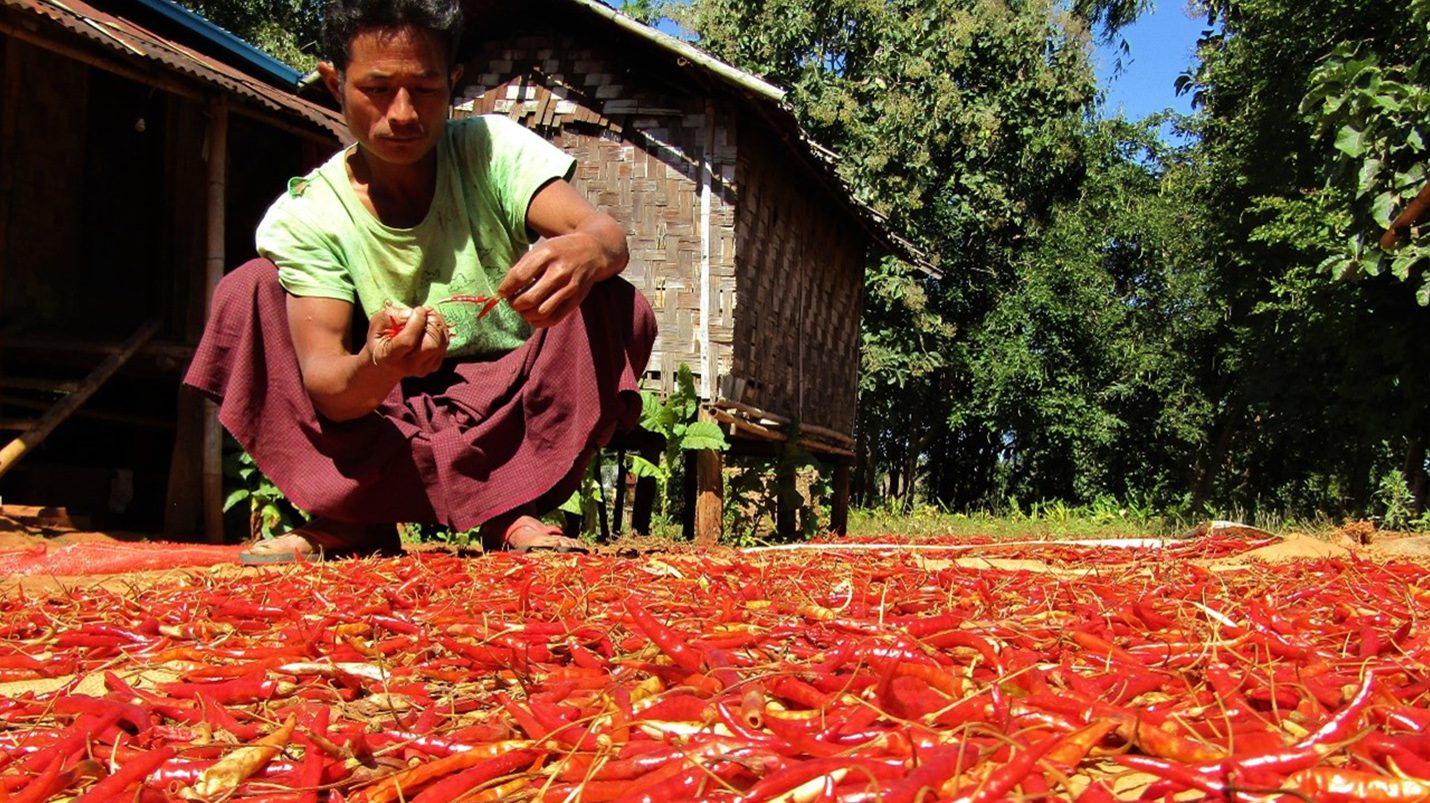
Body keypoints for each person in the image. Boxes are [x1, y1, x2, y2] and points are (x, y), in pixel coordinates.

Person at [184, 0, 656, 560]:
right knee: (251, 290)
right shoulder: (310, 213)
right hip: (379, 407)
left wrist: (587, 247)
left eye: (425, 89)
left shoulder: (490, 150)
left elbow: (606, 235)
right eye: (378, 89)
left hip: (505, 392)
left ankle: (510, 509)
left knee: (612, 299)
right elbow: (328, 387)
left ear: (453, 84)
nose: (404, 113)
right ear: (337, 83)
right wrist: (379, 365)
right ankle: (352, 516)